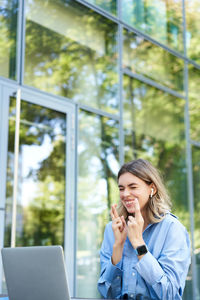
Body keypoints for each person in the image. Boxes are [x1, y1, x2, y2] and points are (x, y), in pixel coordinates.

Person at [98, 159, 191, 300]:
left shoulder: (172, 229)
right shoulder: (112, 230)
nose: (125, 194)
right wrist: (118, 246)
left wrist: (139, 244)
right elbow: (106, 293)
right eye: (121, 188)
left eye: (133, 187)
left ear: (152, 189)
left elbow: (169, 294)